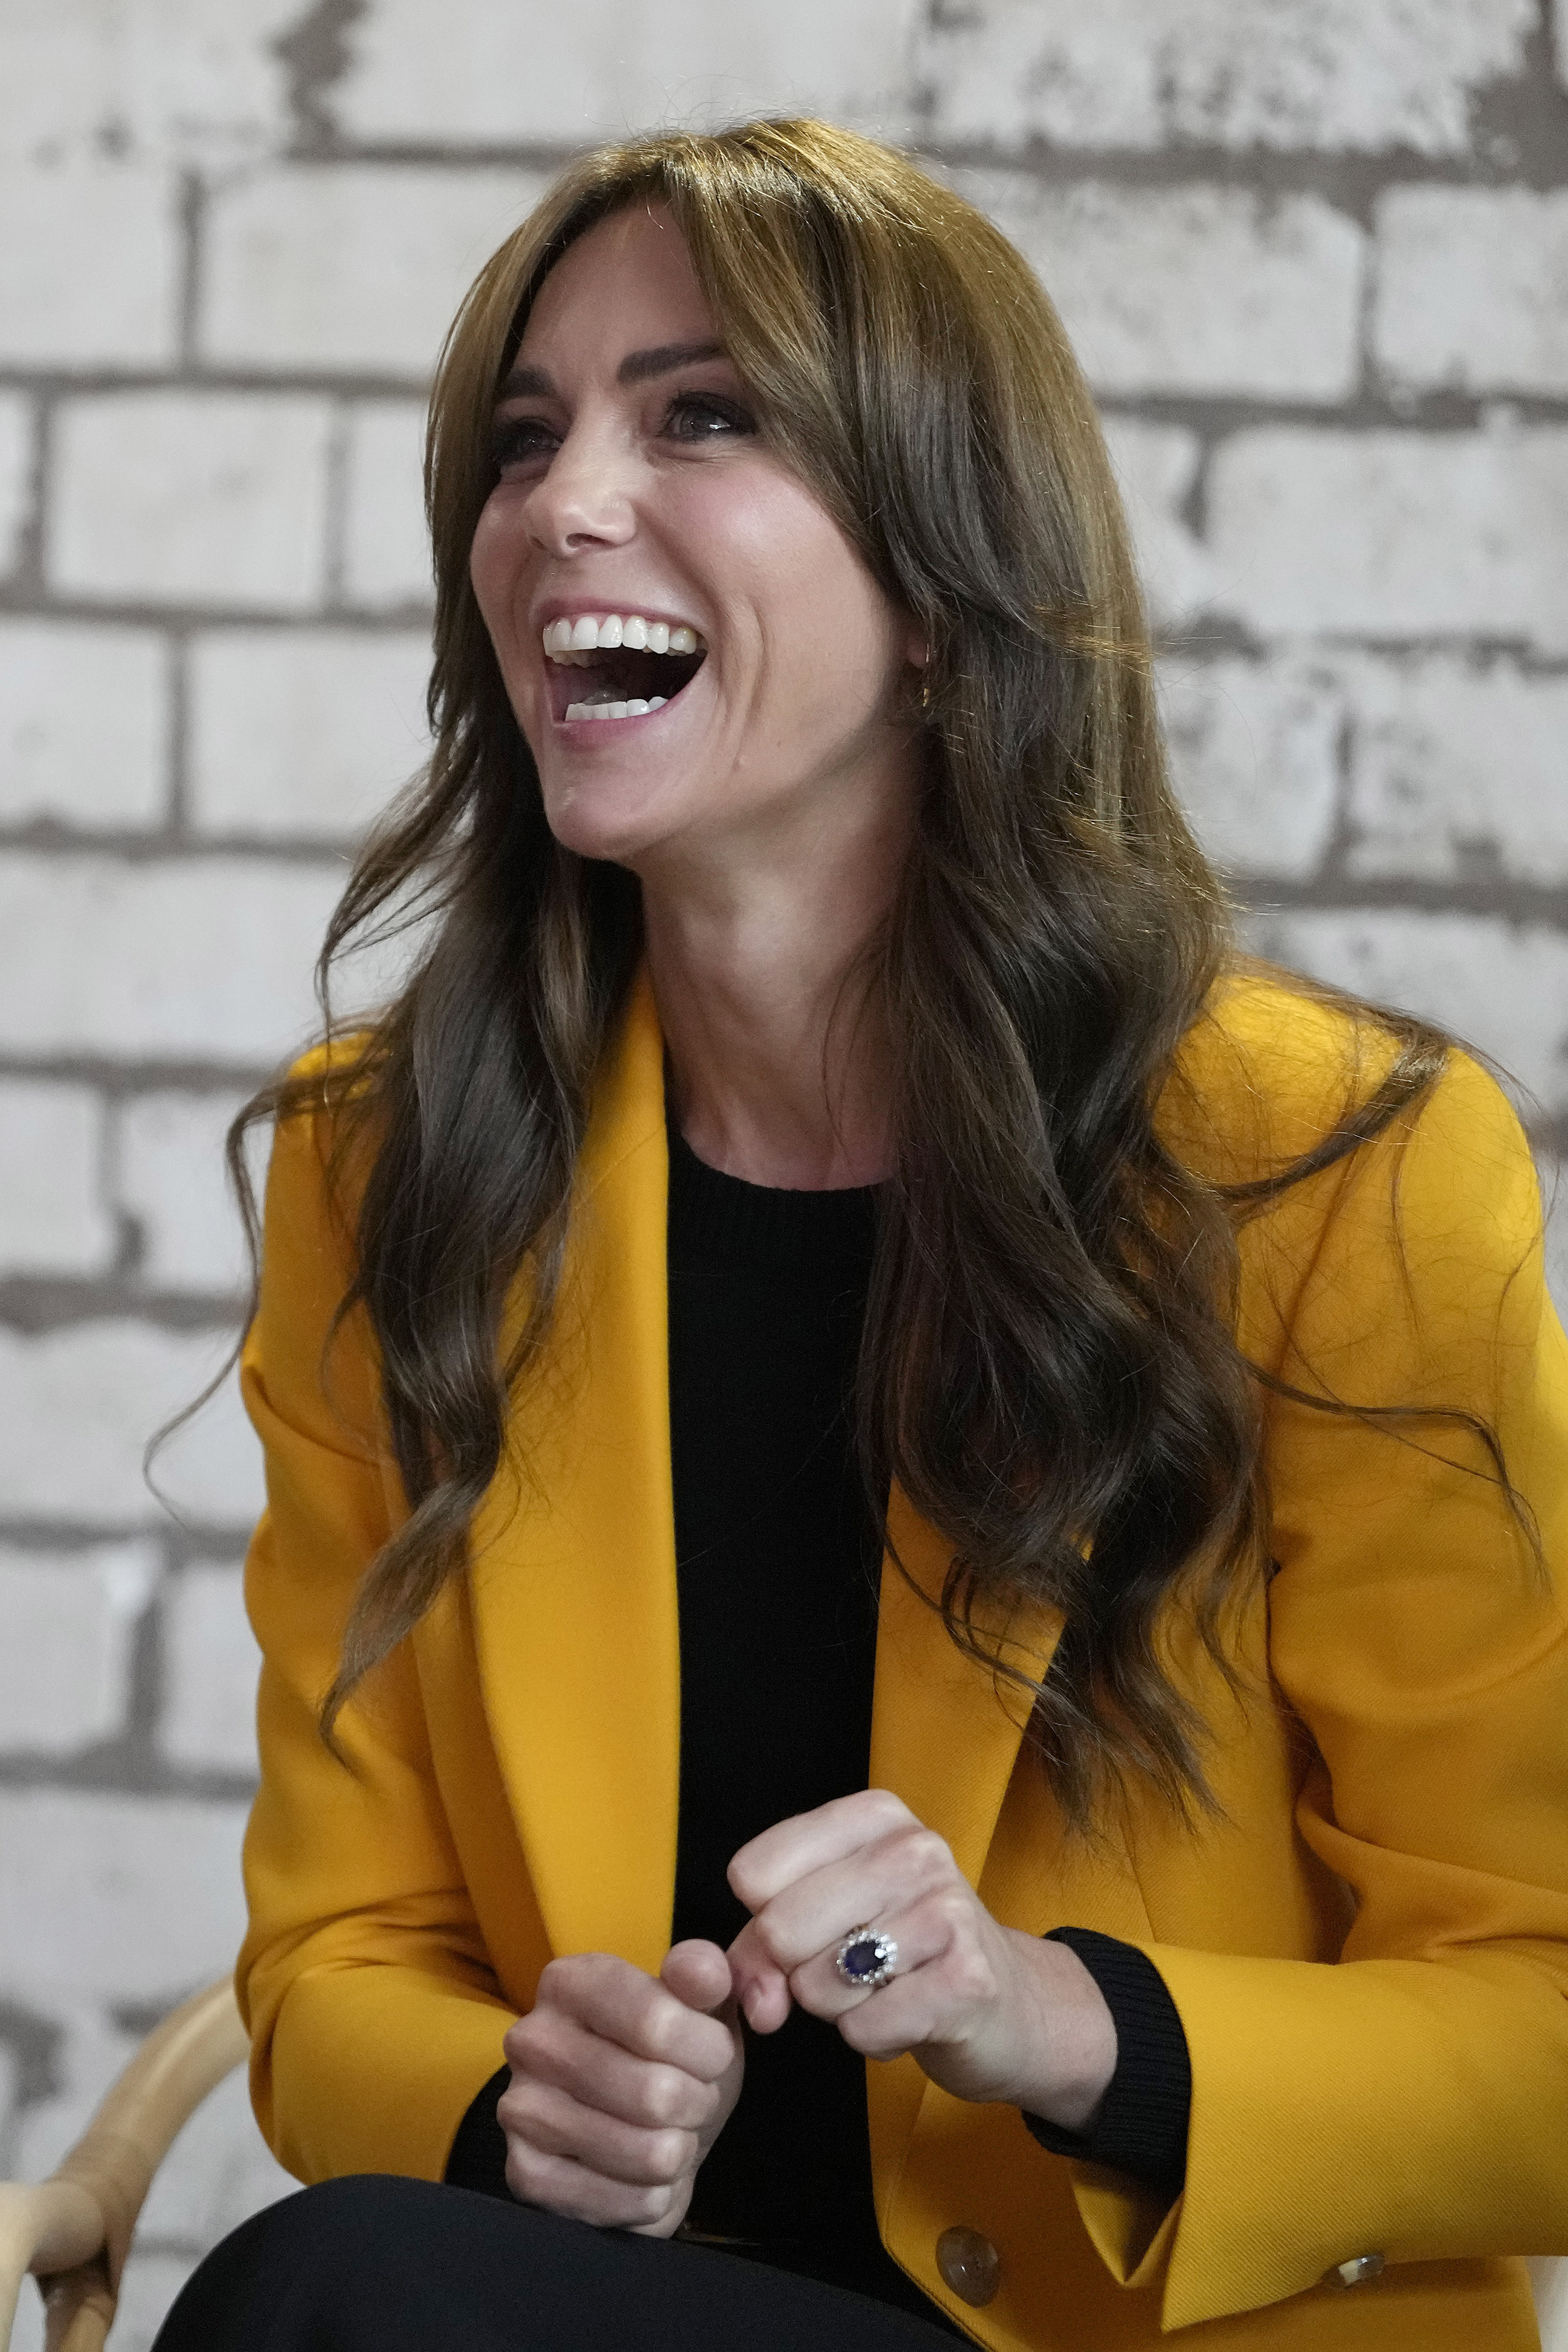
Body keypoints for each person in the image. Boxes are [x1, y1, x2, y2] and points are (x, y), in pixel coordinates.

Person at [153, 118, 1568, 2352]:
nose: (560, 505)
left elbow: (1542, 2015)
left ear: (939, 582)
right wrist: (519, 2101)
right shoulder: (394, 1170)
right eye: (525, 440)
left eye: (698, 415)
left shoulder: (1334, 1168)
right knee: (351, 2275)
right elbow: (334, 1966)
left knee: (323, 2300)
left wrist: (1057, 2015)